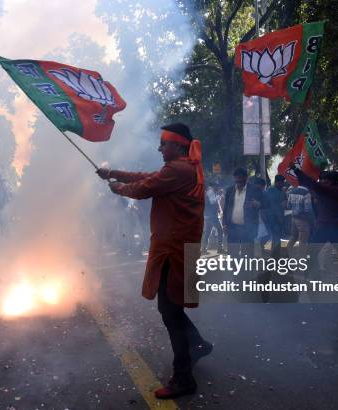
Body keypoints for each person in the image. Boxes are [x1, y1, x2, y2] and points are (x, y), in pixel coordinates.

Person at [96, 123, 211, 399]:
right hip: (178, 247)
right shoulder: (185, 167)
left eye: (164, 144)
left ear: (178, 145)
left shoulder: (179, 169)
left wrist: (120, 188)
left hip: (173, 250)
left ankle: (184, 379)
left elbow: (144, 186)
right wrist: (112, 173)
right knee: (170, 309)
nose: (159, 148)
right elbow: (148, 176)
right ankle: (198, 345)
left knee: (170, 312)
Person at [292, 165, 338, 279]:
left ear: (331, 181)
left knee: (313, 253)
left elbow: (313, 184)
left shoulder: (332, 190)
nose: (322, 181)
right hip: (334, 228)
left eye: (325, 179)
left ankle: (309, 277)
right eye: (322, 179)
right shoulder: (337, 192)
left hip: (326, 228)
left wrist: (296, 170)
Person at [222, 167, 268, 258]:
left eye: (241, 181)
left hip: (248, 229)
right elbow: (226, 208)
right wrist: (224, 224)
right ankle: (234, 271)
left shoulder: (255, 190)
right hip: (232, 228)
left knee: (247, 255)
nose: (239, 183)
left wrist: (258, 204)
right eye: (237, 181)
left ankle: (245, 271)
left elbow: (266, 204)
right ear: (234, 179)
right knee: (232, 254)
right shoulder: (230, 190)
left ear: (246, 178)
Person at [286, 184, 314, 257]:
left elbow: (288, 206)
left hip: (293, 218)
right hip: (303, 220)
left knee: (293, 237)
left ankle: (288, 255)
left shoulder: (291, 190)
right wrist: (312, 220)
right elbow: (308, 209)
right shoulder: (306, 192)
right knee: (303, 241)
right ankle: (301, 260)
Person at [262, 175, 287, 258]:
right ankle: (274, 256)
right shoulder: (272, 191)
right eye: (282, 182)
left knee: (274, 238)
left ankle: (273, 256)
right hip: (273, 219)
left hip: (275, 218)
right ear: (277, 182)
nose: (283, 184)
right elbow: (272, 206)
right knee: (275, 238)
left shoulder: (279, 191)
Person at [201, 183, 224, 254]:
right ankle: (219, 248)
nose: (218, 188)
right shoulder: (210, 191)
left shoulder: (209, 191)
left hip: (208, 216)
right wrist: (219, 195)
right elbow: (212, 201)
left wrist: (218, 195)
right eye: (217, 187)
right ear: (213, 186)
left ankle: (204, 249)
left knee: (207, 233)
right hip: (212, 216)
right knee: (220, 230)